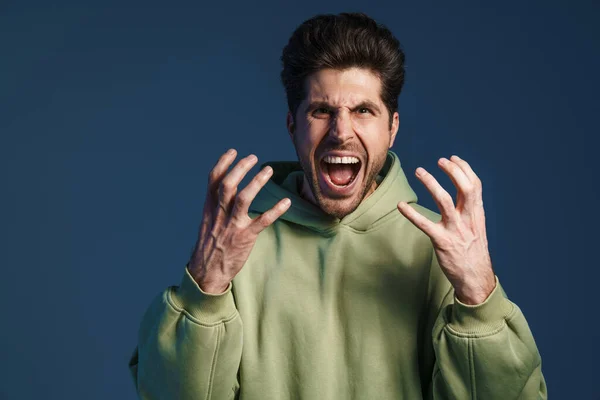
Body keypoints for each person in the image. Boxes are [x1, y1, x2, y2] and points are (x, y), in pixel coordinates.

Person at [128, 12, 547, 400]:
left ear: (392, 128)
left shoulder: (444, 248)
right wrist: (204, 287)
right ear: (293, 126)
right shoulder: (234, 248)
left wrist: (479, 296)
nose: (341, 132)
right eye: (321, 111)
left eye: (363, 110)